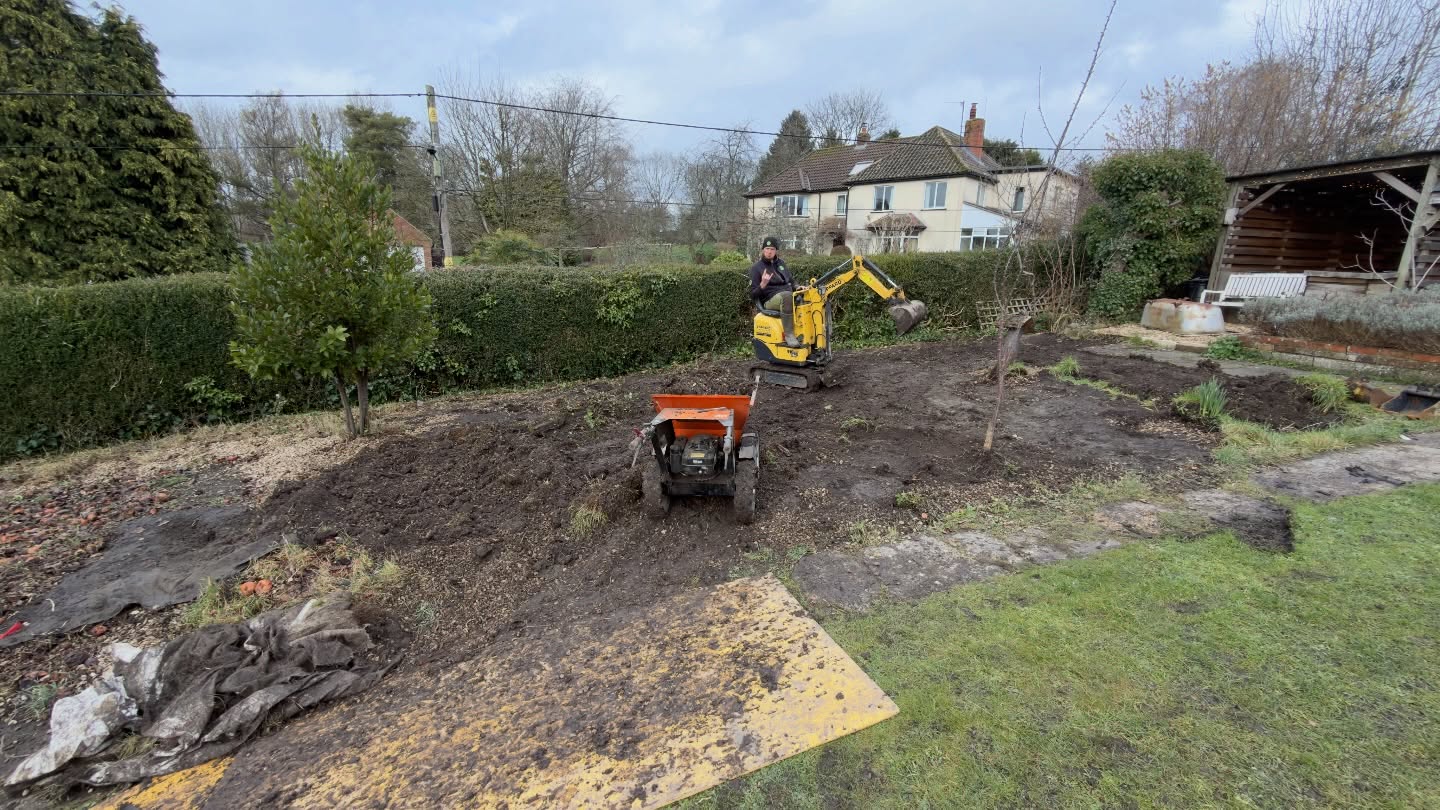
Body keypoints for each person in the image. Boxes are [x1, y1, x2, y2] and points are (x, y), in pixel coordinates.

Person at [748, 236, 801, 346]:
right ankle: (789, 335)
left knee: (807, 296)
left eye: (772, 249)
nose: (769, 252)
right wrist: (762, 284)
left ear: (776, 250)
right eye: (767, 249)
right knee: (786, 296)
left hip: (787, 294)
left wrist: (798, 287)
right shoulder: (756, 268)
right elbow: (753, 294)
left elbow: (791, 280)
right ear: (763, 250)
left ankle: (803, 333)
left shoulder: (781, 263)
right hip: (769, 300)